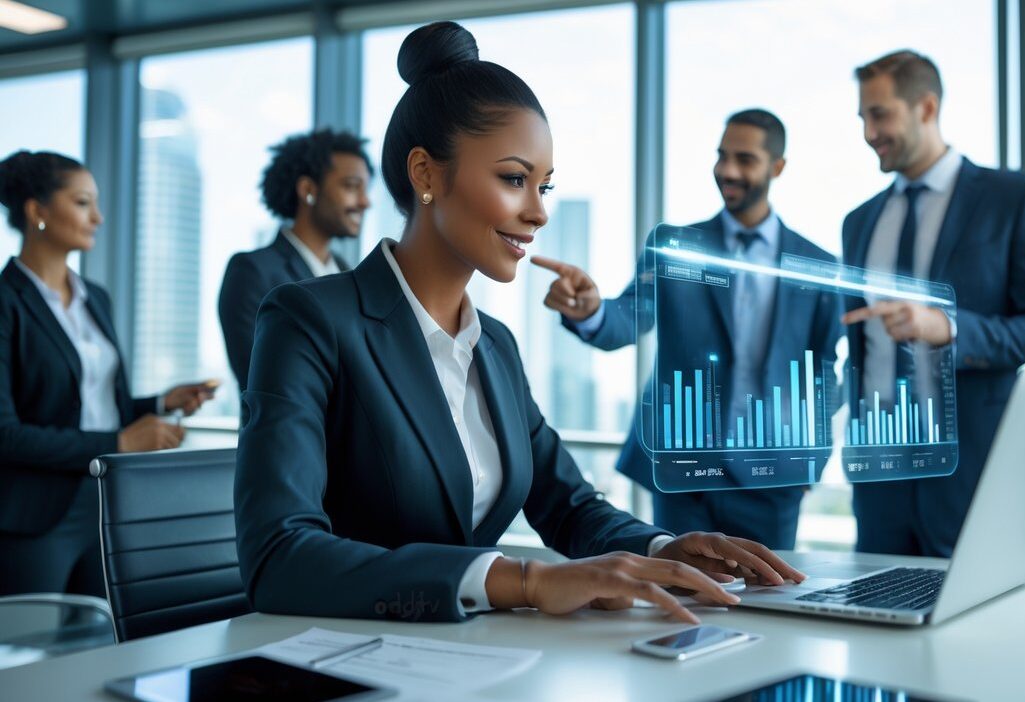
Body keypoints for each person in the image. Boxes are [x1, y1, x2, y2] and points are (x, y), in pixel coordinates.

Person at [234, 21, 804, 625]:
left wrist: (663, 548)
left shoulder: (495, 346)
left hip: (474, 657)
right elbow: (278, 557)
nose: (537, 212)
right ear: (425, 173)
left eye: (544, 186)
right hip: (344, 655)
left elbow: (568, 505)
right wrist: (525, 580)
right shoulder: (309, 321)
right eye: (514, 179)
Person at [533, 110, 842, 550]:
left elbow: (823, 374)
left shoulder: (817, 266)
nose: (727, 170)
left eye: (745, 159)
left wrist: (809, 464)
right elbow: (631, 314)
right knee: (679, 588)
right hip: (686, 474)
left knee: (770, 591)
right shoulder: (675, 248)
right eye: (722, 155)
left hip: (771, 480)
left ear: (777, 167)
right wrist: (592, 311)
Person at [841, 50, 1025, 557]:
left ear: (926, 107)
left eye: (879, 115)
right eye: (862, 118)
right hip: (878, 480)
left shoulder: (1014, 198)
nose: (868, 133)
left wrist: (949, 327)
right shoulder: (859, 222)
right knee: (875, 604)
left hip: (972, 473)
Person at [0, 150, 215, 596]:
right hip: (37, 515)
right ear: (37, 211)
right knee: (35, 639)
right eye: (83, 203)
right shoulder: (6, 302)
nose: (98, 218)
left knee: (108, 632)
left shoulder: (95, 298)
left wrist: (160, 403)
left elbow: (91, 406)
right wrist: (119, 443)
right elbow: (6, 434)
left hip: (108, 500)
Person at [218, 128, 372, 392]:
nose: (365, 202)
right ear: (308, 189)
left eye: (366, 189)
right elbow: (260, 381)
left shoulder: (353, 276)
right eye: (351, 186)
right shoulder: (252, 272)